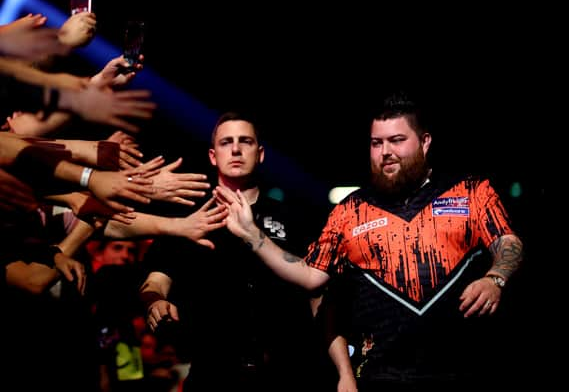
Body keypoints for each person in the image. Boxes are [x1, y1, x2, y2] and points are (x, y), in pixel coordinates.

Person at [215, 92, 525, 391]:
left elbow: (509, 242)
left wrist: (495, 279)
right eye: (377, 143)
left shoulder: (470, 192)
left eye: (397, 140)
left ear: (425, 142)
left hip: (466, 371)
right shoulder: (350, 210)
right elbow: (311, 276)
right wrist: (253, 235)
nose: (386, 151)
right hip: (382, 377)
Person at [139, 111, 323, 391]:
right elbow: (154, 281)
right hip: (212, 373)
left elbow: (316, 288)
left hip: (287, 373)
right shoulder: (189, 217)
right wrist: (155, 302)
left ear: (260, 153)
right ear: (213, 156)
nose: (235, 149)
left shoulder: (291, 217)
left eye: (245, 141)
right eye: (226, 143)